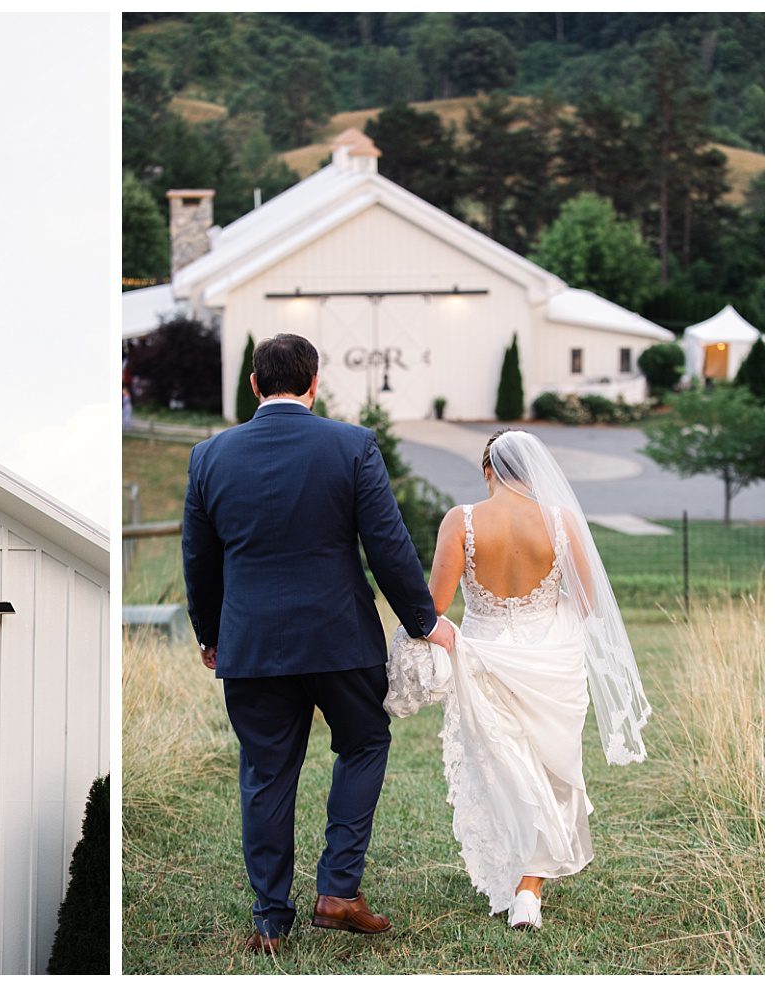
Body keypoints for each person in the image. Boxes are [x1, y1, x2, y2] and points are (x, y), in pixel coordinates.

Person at [180, 333, 457, 954]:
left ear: (254, 384)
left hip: (250, 647)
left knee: (266, 773)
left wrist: (210, 635)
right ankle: (336, 890)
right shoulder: (351, 444)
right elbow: (386, 543)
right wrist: (423, 621)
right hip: (340, 639)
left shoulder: (209, 456)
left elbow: (199, 559)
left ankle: (269, 921)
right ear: (315, 382)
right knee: (364, 744)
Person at [425, 428, 651, 929]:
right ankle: (529, 887)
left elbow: (435, 607)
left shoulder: (461, 521)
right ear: (534, 472)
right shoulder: (561, 521)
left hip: (485, 656)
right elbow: (589, 604)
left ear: (489, 471)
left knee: (501, 763)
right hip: (551, 658)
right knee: (549, 765)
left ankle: (518, 876)